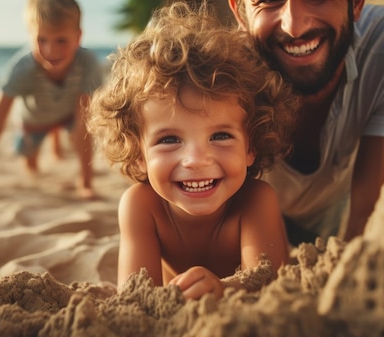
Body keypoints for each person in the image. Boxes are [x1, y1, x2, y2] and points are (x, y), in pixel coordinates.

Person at [87, 3, 297, 300]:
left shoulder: (256, 200)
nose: (196, 160)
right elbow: (134, 298)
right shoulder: (141, 206)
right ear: (138, 154)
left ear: (251, 146)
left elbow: (269, 285)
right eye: (170, 140)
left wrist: (224, 290)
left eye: (220, 136)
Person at [228, 0, 384, 244]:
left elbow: (370, 219)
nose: (294, 27)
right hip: (247, 226)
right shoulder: (219, 78)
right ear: (240, 11)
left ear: (357, 4)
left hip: (339, 213)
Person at [0, 0, 103, 199]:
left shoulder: (88, 62)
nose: (51, 51)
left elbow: (83, 120)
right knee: (30, 164)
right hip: (34, 119)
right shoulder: (22, 68)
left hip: (67, 113)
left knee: (80, 129)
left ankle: (58, 140)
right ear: (30, 35)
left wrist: (85, 183)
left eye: (61, 40)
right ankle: (49, 136)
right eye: (41, 40)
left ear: (78, 37)